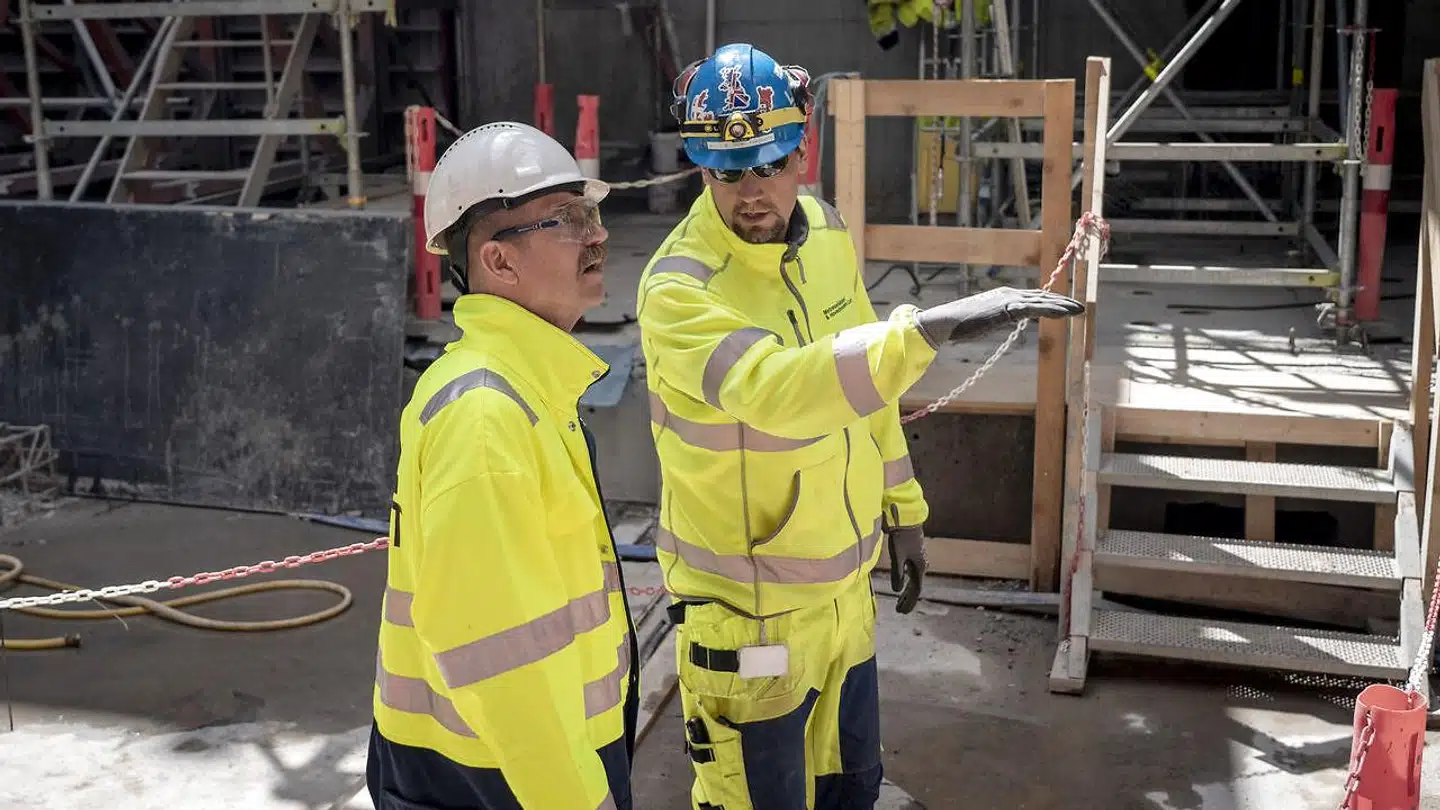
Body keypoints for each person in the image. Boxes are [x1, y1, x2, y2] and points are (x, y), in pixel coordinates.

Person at [635, 43, 1084, 810]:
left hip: (845, 605)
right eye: (727, 171)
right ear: (700, 169)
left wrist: (903, 511)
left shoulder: (827, 233)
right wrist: (928, 329)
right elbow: (779, 389)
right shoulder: (677, 292)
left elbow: (863, 395)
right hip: (750, 621)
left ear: (801, 153)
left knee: (853, 791)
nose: (751, 191)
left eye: (770, 164)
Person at [368, 121, 638, 810]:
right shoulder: (487, 417)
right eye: (570, 220)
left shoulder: (532, 389)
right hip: (496, 779)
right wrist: (579, 798)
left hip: (518, 765)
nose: (598, 236)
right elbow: (499, 655)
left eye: (592, 214)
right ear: (499, 262)